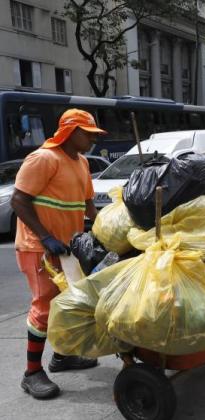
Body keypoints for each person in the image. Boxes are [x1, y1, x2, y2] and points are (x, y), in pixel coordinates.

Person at [11, 109, 105, 399]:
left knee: (69, 303)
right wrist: (46, 236)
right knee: (44, 307)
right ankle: (32, 373)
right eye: (87, 133)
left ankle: (62, 357)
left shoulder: (82, 162)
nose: (91, 139)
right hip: (39, 247)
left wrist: (105, 228)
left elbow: (89, 206)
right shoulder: (44, 158)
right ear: (71, 131)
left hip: (68, 249)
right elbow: (19, 200)